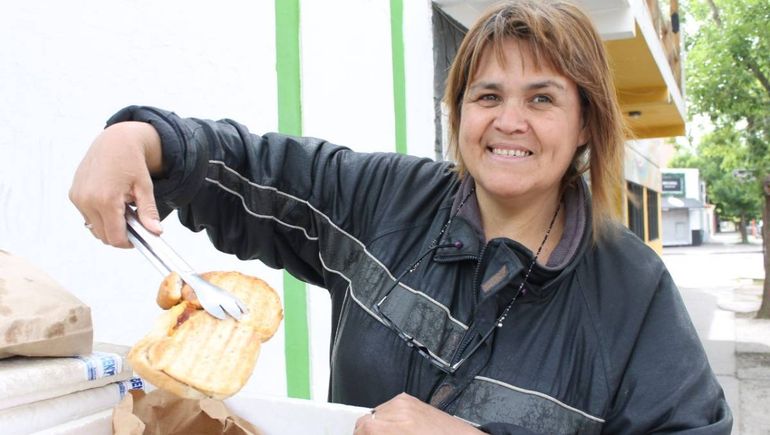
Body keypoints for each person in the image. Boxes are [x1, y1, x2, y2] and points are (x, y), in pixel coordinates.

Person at [70, 1, 732, 433]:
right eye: (488, 95)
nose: (509, 121)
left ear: (585, 123)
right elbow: (256, 171)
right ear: (460, 112)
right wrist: (139, 140)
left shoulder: (633, 293)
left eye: (541, 98)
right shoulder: (387, 200)